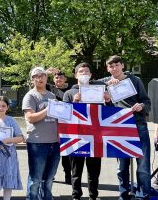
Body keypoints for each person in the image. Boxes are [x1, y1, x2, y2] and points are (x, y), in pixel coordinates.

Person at [103, 55, 151, 200]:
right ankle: (123, 195)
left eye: (117, 65)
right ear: (107, 68)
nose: (114, 68)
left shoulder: (135, 80)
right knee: (121, 167)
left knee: (142, 166)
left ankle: (143, 196)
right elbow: (108, 109)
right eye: (111, 66)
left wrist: (141, 106)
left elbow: (147, 103)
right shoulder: (106, 84)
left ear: (122, 65)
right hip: (119, 128)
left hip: (138, 126)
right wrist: (108, 100)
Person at [62, 63, 108, 200]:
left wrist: (108, 101)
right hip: (76, 136)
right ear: (75, 75)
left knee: (94, 170)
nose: (84, 74)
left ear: (91, 75)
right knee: (76, 170)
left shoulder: (99, 91)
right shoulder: (69, 93)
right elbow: (64, 115)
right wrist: (75, 102)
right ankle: (76, 195)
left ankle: (93, 195)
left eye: (87, 72)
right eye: (81, 72)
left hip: (95, 136)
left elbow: (108, 113)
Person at [22, 67, 60, 200]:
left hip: (54, 143)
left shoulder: (52, 96)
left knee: (49, 179)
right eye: (36, 76)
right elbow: (30, 118)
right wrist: (49, 109)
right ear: (32, 79)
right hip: (37, 143)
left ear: (46, 77)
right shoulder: (30, 96)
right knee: (36, 179)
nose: (40, 78)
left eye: (42, 75)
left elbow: (57, 118)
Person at [46, 69, 72, 184]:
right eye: (56, 77)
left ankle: (68, 175)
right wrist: (46, 72)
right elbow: (37, 80)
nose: (58, 79)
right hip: (52, 124)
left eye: (61, 77)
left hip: (67, 124)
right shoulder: (50, 88)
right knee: (52, 152)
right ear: (53, 79)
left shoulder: (71, 89)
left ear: (65, 78)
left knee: (66, 153)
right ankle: (51, 175)